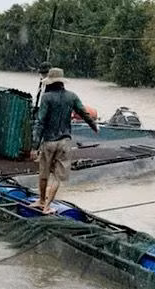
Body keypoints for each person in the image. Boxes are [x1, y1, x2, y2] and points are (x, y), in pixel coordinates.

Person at [30, 68, 98, 214]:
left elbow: (40, 122)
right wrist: (94, 126)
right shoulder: (71, 97)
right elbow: (84, 113)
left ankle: (41, 201)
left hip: (49, 141)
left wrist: (35, 146)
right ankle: (48, 206)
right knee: (57, 176)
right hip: (65, 141)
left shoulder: (47, 97)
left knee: (44, 173)